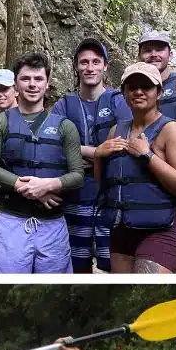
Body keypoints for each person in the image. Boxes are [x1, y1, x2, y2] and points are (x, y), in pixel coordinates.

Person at [0, 51, 85, 274]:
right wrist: (27, 187)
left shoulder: (65, 126)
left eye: (38, 79)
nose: (32, 85)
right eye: (25, 79)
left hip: (53, 225)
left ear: (47, 84)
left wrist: (47, 185)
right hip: (11, 221)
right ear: (16, 84)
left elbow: (77, 175)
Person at [93, 63, 176, 274]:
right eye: (132, 87)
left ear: (158, 92)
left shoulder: (172, 130)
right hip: (121, 229)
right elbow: (104, 184)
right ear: (124, 93)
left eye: (146, 87)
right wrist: (98, 156)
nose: (139, 92)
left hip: (159, 228)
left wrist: (147, 155)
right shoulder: (116, 130)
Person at [50, 38, 131, 273]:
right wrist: (97, 152)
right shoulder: (64, 105)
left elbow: (123, 144)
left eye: (96, 62)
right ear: (76, 66)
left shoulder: (119, 101)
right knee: (78, 264)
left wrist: (78, 151)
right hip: (75, 196)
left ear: (105, 66)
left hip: (111, 197)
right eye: (84, 62)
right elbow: (55, 145)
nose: (90, 67)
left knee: (112, 264)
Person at [137, 30, 176, 273]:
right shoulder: (134, 88)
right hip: (144, 174)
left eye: (159, 49)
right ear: (140, 54)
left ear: (170, 54)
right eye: (147, 49)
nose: (153, 54)